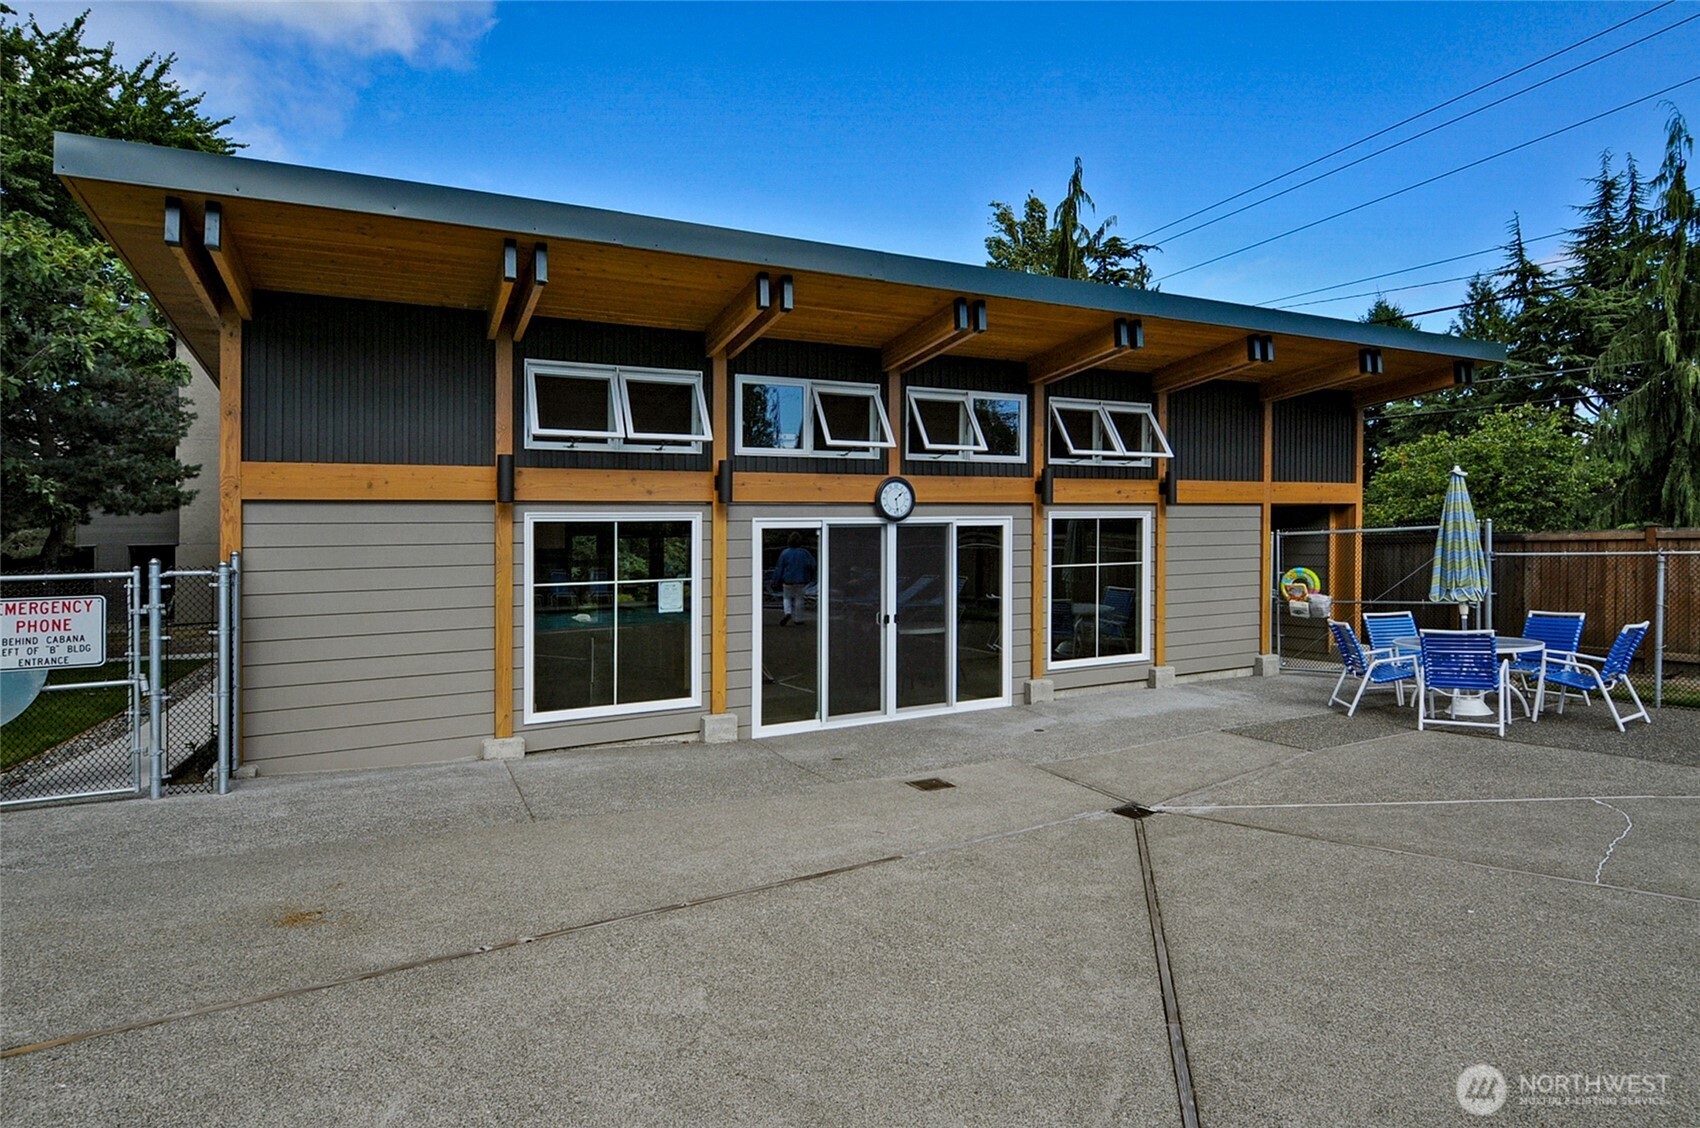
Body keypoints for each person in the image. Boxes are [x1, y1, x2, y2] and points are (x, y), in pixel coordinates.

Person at [771, 532, 816, 627]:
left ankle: (788, 612)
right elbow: (812, 565)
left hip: (787, 580)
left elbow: (779, 568)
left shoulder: (785, 553)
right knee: (799, 599)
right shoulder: (805, 553)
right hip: (801, 580)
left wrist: (775, 580)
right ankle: (798, 619)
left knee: (786, 598)